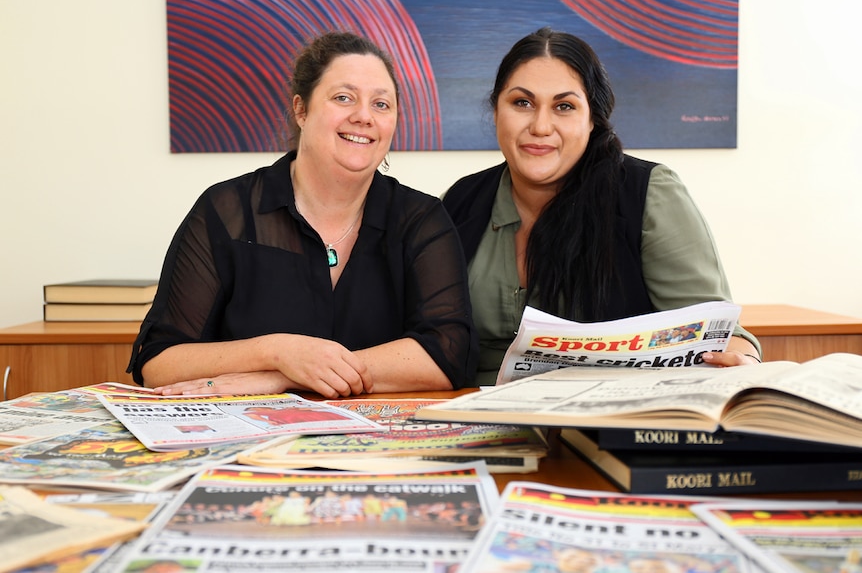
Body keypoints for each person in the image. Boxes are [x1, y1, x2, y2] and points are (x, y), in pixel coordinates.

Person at [127, 31, 477, 397]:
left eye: (381, 104)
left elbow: (448, 353)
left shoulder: (421, 219)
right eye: (344, 98)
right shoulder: (226, 211)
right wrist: (278, 352)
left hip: (373, 448)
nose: (364, 116)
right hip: (249, 444)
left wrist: (287, 378)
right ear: (301, 110)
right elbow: (159, 361)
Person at [443, 28, 761, 385]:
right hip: (473, 412)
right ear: (496, 109)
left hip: (607, 418)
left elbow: (715, 335)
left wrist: (741, 358)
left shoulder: (649, 194)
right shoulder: (459, 201)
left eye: (564, 107)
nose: (540, 125)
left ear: (592, 118)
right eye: (522, 103)